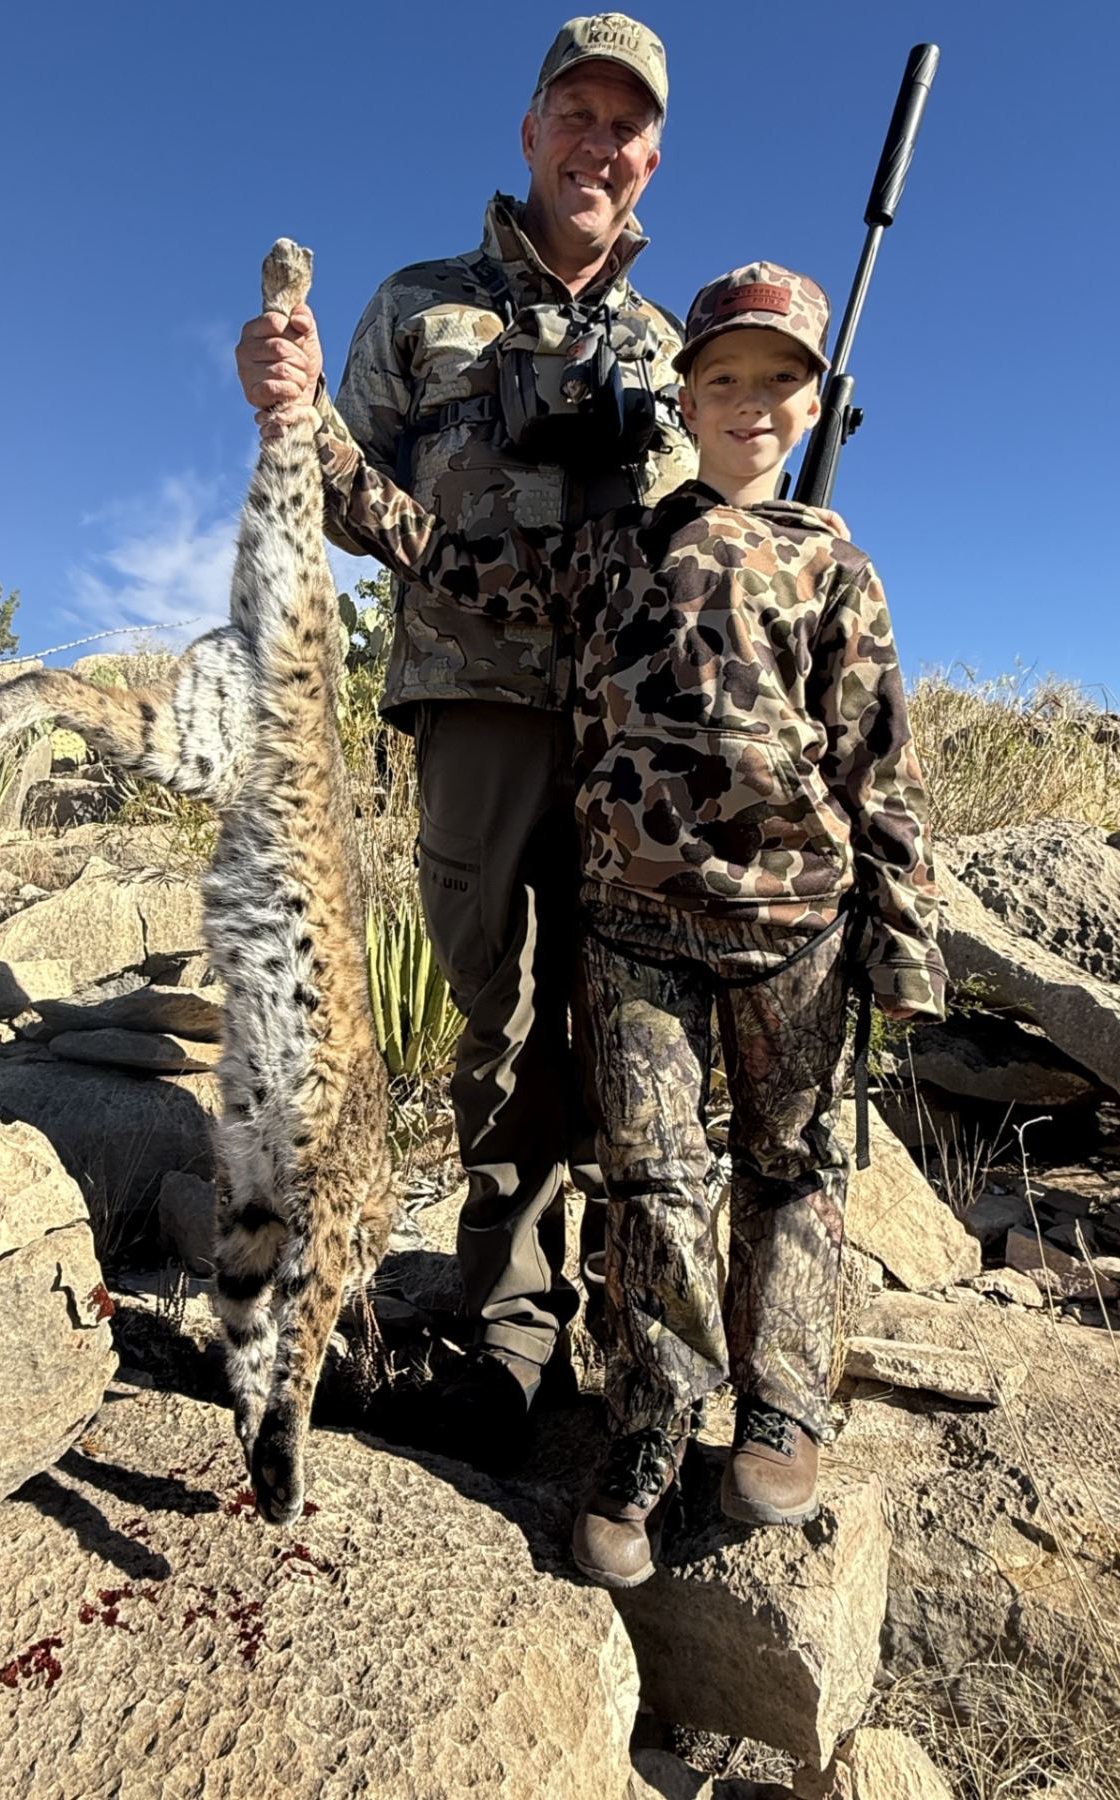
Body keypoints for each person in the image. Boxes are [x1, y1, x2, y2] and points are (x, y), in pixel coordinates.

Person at [259, 260, 946, 1585]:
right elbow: (439, 551)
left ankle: (781, 1405)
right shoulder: (606, 549)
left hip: (794, 926)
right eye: (724, 378)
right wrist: (311, 432)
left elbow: (880, 760)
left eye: (780, 382)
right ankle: (650, 1422)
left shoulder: (836, 565)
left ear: (813, 407)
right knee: (651, 1181)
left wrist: (899, 930)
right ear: (680, 398)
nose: (751, 403)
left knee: (792, 1167)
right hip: (631, 932)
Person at [237, 14, 698, 1461]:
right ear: (530, 129)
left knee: (627, 1026)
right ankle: (507, 1338)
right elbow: (329, 475)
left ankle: (639, 1341)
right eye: (578, 113)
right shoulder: (419, 303)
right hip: (475, 709)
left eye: (626, 126)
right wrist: (284, 403)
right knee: (497, 1028)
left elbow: (705, 541)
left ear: (650, 159)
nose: (598, 144)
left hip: (630, 733)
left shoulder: (673, 348)